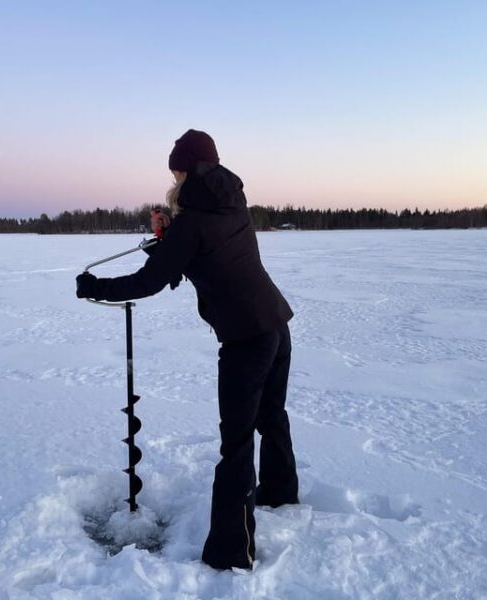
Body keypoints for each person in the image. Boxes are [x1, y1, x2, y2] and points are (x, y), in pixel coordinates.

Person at [75, 129, 299, 570]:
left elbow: (149, 280)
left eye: (175, 168)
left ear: (186, 170)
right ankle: (281, 497)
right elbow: (206, 251)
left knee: (235, 445)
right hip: (276, 325)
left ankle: (232, 554)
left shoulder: (193, 221)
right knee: (271, 418)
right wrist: (171, 236)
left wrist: (94, 286)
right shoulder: (234, 205)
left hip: (245, 341)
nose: (172, 176)